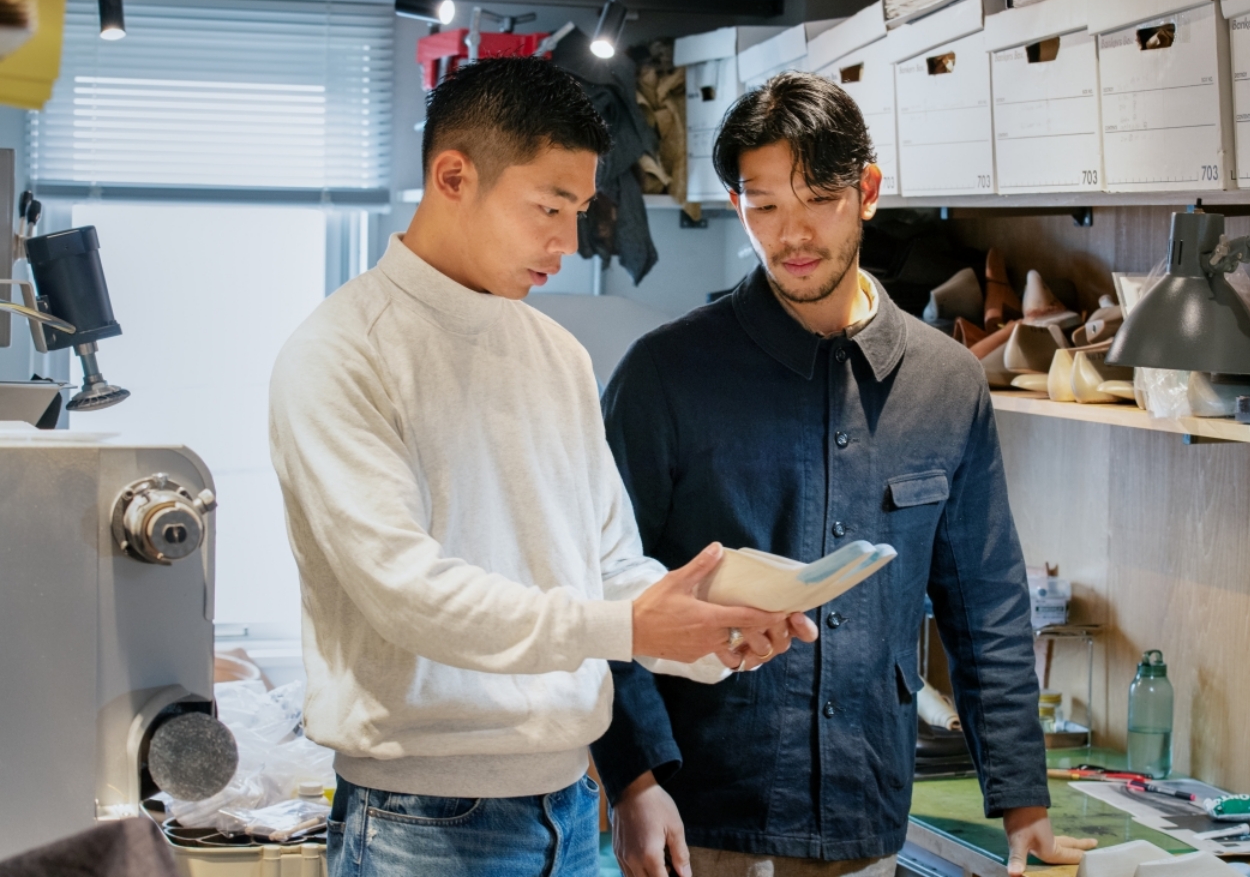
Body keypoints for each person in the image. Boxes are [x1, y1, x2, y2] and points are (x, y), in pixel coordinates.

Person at [268, 57, 815, 877]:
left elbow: (607, 566)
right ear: (454, 177)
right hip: (422, 824)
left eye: (580, 211)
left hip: (570, 806)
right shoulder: (342, 353)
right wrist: (629, 628)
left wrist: (709, 627)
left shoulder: (557, 355)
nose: (568, 241)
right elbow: (408, 594)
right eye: (549, 208)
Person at [592, 72, 1097, 877]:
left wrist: (1022, 801)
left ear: (867, 192)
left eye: (819, 200)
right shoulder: (664, 375)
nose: (792, 235)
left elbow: (985, 600)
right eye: (764, 206)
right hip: (703, 815)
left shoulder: (947, 381)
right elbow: (599, 588)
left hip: (866, 810)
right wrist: (633, 779)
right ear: (737, 205)